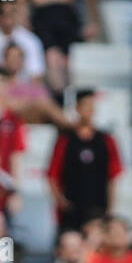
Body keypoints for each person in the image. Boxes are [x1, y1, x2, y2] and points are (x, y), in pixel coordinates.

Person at [48, 88, 123, 232]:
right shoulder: (65, 139)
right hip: (72, 206)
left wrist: (111, 206)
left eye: (91, 106)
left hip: (98, 204)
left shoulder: (106, 140)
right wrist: (61, 201)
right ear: (77, 108)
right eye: (84, 106)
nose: (88, 110)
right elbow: (52, 174)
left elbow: (113, 175)